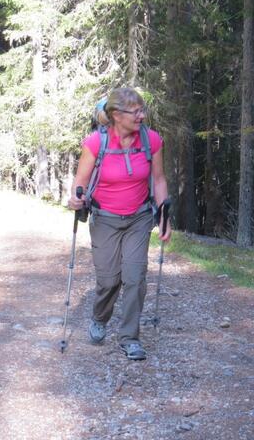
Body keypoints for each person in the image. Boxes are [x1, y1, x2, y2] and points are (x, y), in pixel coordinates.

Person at [67, 87, 171, 361]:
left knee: (135, 278)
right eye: (135, 112)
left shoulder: (151, 140)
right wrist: (76, 199)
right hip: (105, 219)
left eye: (142, 110)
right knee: (109, 280)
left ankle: (129, 338)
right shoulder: (95, 143)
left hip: (139, 218)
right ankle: (100, 317)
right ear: (116, 115)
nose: (141, 116)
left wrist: (164, 215)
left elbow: (159, 179)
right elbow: (80, 182)